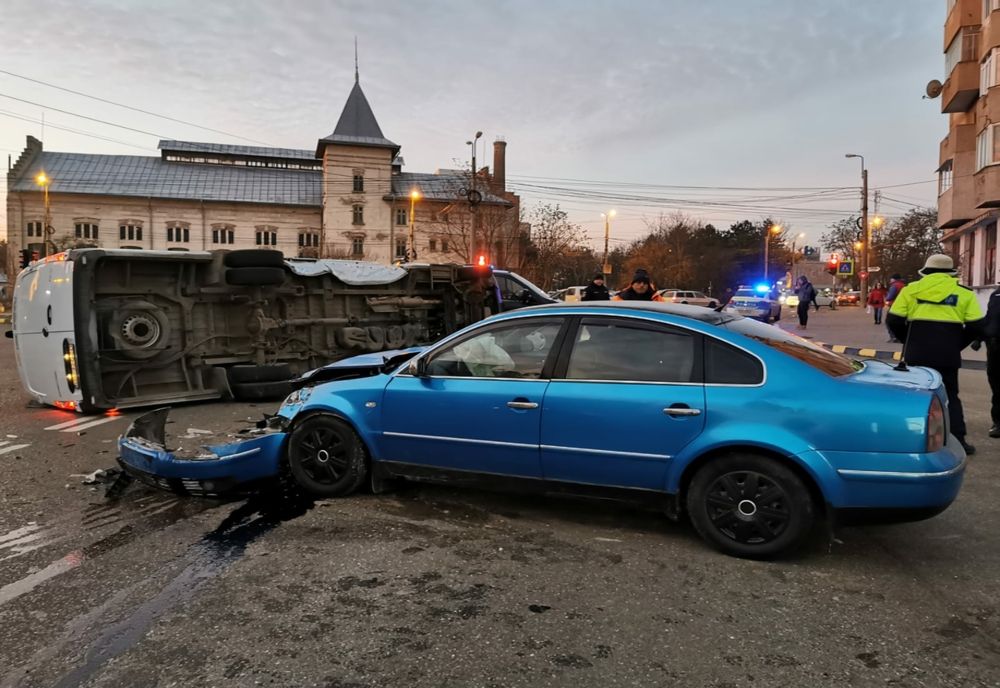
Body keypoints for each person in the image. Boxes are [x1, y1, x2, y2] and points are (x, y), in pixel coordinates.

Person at [887, 254, 984, 455]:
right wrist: (957, 344)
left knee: (915, 395)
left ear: (926, 271)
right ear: (950, 272)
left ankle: (910, 438)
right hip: (947, 354)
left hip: (917, 352)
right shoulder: (964, 294)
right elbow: (977, 326)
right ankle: (959, 439)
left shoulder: (911, 290)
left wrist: (909, 339)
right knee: (950, 395)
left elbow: (894, 320)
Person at [979, 283, 1000, 438]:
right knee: (996, 385)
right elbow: (989, 318)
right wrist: (979, 337)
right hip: (994, 346)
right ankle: (998, 423)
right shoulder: (996, 295)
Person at [885, 273, 906, 342]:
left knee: (888, 321)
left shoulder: (894, 286)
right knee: (900, 322)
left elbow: (890, 297)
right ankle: (900, 337)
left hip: (894, 305)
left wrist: (887, 298)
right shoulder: (904, 285)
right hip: (903, 305)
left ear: (893, 279)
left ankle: (893, 337)